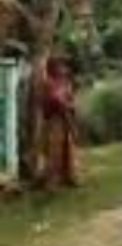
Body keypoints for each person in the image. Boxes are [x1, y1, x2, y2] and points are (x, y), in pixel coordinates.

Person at [39, 56, 79, 188]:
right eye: (59, 67)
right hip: (54, 120)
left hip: (65, 117)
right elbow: (56, 100)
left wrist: (71, 106)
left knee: (69, 147)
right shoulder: (48, 83)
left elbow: (70, 98)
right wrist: (68, 105)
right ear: (52, 69)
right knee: (54, 150)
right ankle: (52, 180)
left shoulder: (64, 82)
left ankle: (70, 176)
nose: (63, 70)